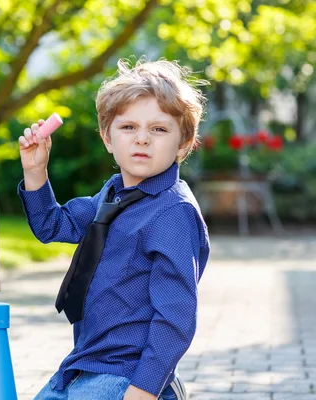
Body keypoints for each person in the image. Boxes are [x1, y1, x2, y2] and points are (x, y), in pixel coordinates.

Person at [16, 59, 211, 400]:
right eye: (128, 127)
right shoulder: (111, 194)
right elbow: (52, 225)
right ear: (107, 138)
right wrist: (36, 173)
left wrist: (144, 389)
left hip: (127, 374)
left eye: (159, 129)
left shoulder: (173, 214)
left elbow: (177, 315)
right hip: (83, 364)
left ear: (184, 144)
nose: (142, 140)